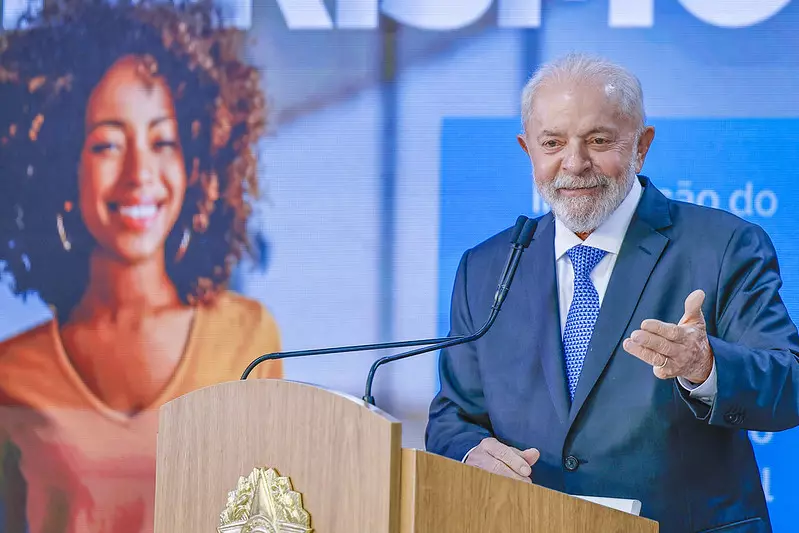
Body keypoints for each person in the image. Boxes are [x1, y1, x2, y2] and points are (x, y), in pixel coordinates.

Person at [425, 53, 799, 533]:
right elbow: (453, 416)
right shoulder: (487, 267)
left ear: (641, 145)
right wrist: (470, 452)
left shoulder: (724, 245)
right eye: (553, 143)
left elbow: (790, 385)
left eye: (599, 141)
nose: (575, 163)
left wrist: (706, 367)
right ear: (528, 151)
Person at [0, 1, 283, 531]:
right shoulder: (10, 377)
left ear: (197, 161)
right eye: (107, 144)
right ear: (62, 164)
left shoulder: (249, 339)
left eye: (163, 142)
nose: (139, 173)